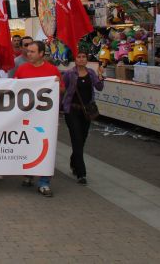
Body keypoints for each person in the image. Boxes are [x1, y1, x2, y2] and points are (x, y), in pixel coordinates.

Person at [14, 41, 64, 197]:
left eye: (32, 52)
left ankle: (44, 182)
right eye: (28, 51)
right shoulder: (22, 69)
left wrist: (56, 84)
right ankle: (28, 175)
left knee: (45, 146)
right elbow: (13, 87)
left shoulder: (52, 70)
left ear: (41, 53)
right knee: (28, 145)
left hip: (45, 118)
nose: (29, 54)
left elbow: (62, 89)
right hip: (26, 116)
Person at [61, 51, 104, 185]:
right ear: (75, 59)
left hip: (86, 111)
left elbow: (99, 87)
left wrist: (101, 75)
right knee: (77, 138)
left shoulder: (91, 73)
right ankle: (82, 173)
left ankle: (74, 162)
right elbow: (64, 89)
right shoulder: (69, 74)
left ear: (87, 59)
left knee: (82, 139)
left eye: (83, 56)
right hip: (72, 110)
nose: (81, 59)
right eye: (79, 57)